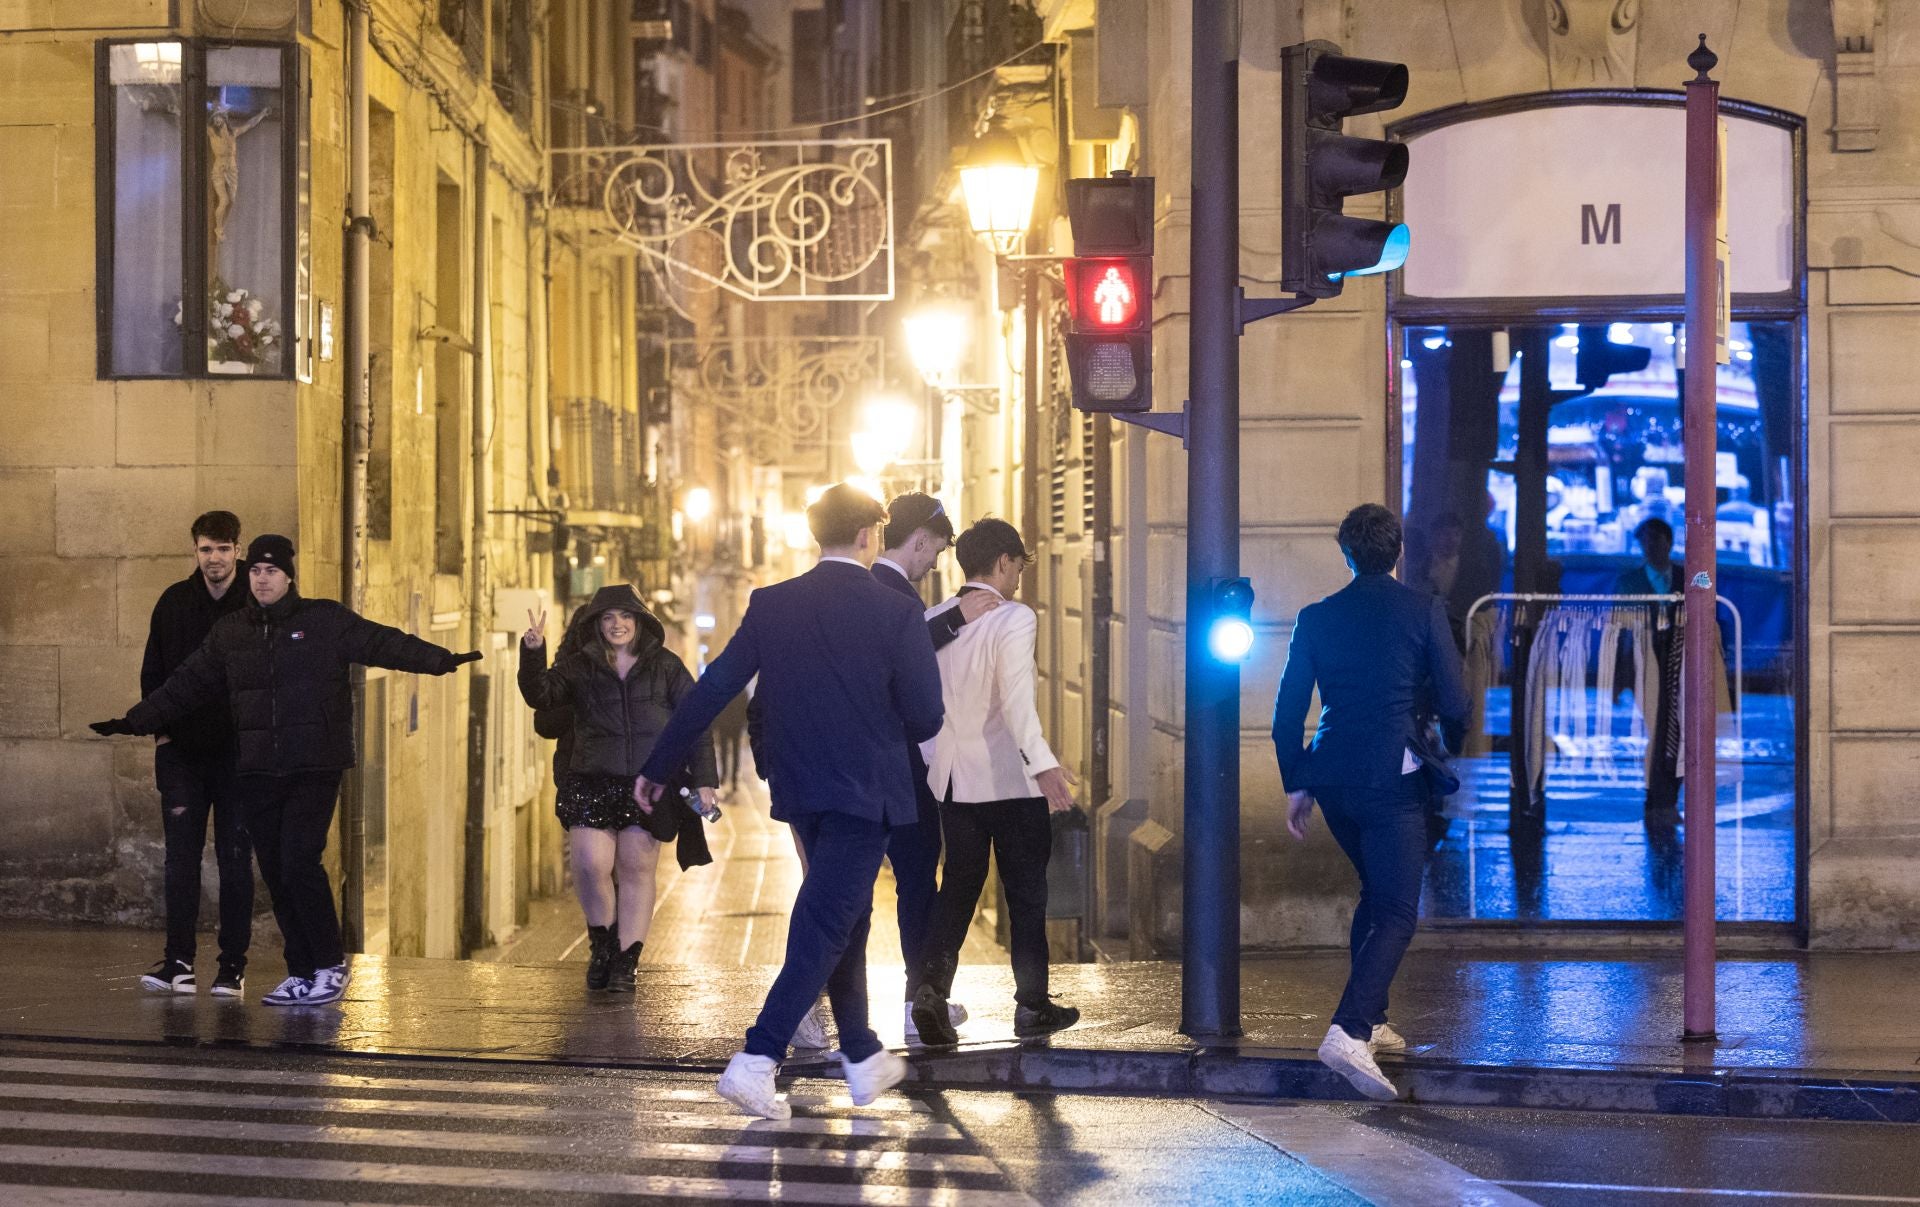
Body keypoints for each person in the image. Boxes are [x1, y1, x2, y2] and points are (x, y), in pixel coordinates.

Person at [634, 484, 944, 1121]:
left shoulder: (772, 604)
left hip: (801, 784)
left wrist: (660, 763)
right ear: (869, 536)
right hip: (868, 790)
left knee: (845, 912)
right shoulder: (895, 611)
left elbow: (715, 684)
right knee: (829, 920)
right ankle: (757, 1056)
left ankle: (859, 1053)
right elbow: (926, 714)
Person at [90, 535, 481, 1008]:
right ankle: (301, 971)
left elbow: (379, 642)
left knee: (299, 860)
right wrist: (135, 721)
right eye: (255, 571)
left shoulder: (323, 620)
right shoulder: (232, 631)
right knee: (275, 871)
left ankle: (330, 964)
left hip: (314, 765)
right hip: (256, 770)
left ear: (289, 575)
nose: (261, 579)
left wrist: (439, 660)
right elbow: (186, 685)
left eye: (271, 571)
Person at [1273, 504, 1469, 1102]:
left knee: (1376, 894)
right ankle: (1350, 1030)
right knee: (1398, 911)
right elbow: (1459, 701)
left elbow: (1286, 715)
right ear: (1399, 550)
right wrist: (1441, 739)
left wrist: (1297, 781)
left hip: (1332, 779)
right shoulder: (1423, 609)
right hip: (1393, 778)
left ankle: (1374, 1017)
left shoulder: (1315, 617)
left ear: (1346, 554)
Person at [909, 518, 1079, 1046]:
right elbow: (1015, 700)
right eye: (1020, 566)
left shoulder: (935, 618)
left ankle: (930, 992)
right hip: (1009, 779)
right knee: (1027, 893)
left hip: (956, 783)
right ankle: (1032, 1005)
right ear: (1003, 563)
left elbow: (918, 700)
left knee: (958, 887)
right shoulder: (1014, 618)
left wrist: (939, 760)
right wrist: (1042, 761)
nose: (1020, 577)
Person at [518, 585, 718, 993]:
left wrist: (705, 780)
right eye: (608, 618)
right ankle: (602, 943)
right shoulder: (581, 665)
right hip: (591, 778)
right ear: (597, 625)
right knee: (591, 864)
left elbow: (694, 720)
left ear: (640, 621)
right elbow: (541, 695)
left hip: (647, 783)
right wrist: (532, 651)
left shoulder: (665, 666)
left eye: (625, 617)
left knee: (636, 870)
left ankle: (626, 960)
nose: (617, 625)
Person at [870, 492, 998, 1041]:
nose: (937, 561)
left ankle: (915, 998)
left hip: (875, 764)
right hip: (899, 763)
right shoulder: (888, 592)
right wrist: (954, 619)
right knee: (917, 881)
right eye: (939, 549)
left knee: (887, 884)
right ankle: (917, 1000)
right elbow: (899, 653)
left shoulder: (887, 590)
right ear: (920, 538)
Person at [135, 510, 254, 997]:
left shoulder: (259, 601)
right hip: (183, 753)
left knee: (234, 859)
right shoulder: (175, 602)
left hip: (241, 758)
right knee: (180, 860)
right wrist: (162, 736)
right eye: (206, 549)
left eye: (223, 549)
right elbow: (154, 672)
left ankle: (232, 967)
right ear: (196, 551)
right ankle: (178, 963)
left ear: (238, 551)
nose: (215, 559)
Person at [1615, 517, 1688, 825]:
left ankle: (1666, 797)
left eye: (1657, 540)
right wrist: (1619, 678)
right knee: (1659, 730)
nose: (1652, 547)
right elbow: (1618, 632)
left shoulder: (1686, 577)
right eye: (1646, 541)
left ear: (1668, 543)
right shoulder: (1630, 582)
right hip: (1644, 663)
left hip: (1679, 662)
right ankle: (1658, 799)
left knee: (1678, 731)